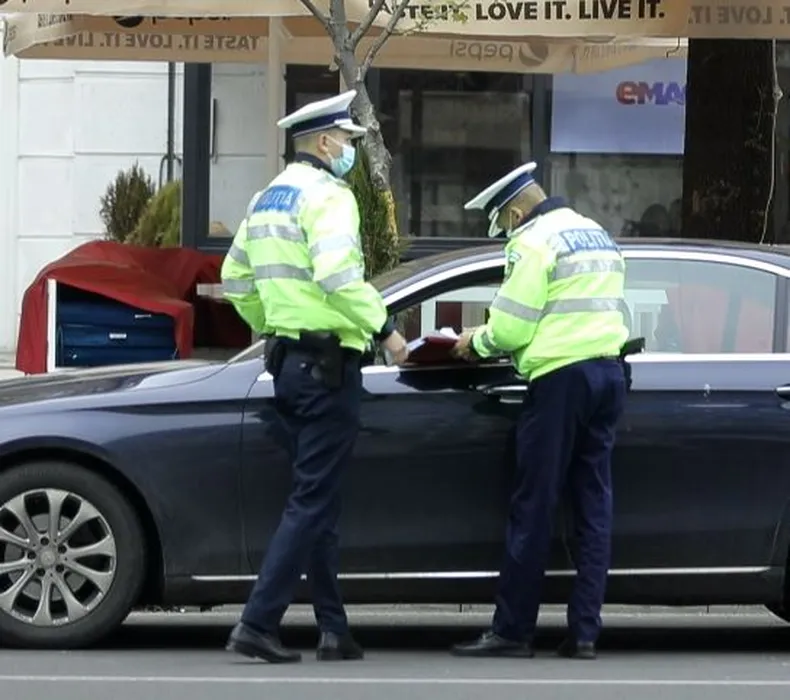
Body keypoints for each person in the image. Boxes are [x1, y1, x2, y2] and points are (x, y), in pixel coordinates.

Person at [220, 89, 410, 664]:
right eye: (348, 140)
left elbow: (235, 278)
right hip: (329, 368)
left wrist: (274, 324)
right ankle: (257, 623)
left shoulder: (267, 197)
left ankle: (333, 628)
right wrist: (386, 329)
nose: (351, 150)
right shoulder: (329, 196)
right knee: (311, 499)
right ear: (326, 143)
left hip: (289, 365)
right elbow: (338, 277)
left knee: (317, 497)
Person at [450, 162, 634, 661]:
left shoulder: (532, 243)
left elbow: (511, 327)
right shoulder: (594, 232)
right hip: (608, 376)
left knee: (533, 506)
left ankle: (512, 631)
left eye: (503, 225)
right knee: (594, 507)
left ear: (514, 213)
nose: (505, 236)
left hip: (560, 383)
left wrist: (474, 342)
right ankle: (585, 632)